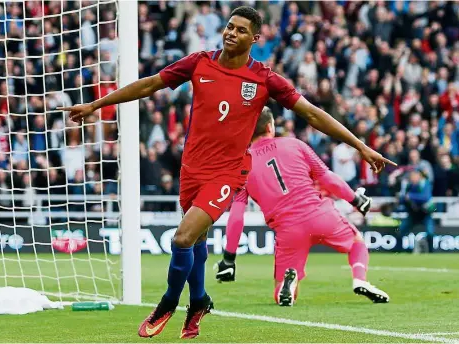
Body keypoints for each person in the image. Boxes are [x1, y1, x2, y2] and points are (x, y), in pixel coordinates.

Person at [59, 6, 395, 339]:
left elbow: (313, 114)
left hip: (227, 174)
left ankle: (168, 302)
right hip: (191, 169)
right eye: (229, 27)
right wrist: (95, 105)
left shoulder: (264, 78)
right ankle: (200, 300)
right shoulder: (199, 62)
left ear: (255, 38)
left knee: (183, 237)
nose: (231, 33)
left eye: (240, 30)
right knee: (198, 242)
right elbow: (149, 85)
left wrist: (360, 146)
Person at [215, 108, 390, 306]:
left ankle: (288, 283)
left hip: (288, 229)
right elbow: (328, 179)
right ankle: (360, 279)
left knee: (281, 291)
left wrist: (229, 258)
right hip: (320, 214)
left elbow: (237, 215)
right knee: (357, 242)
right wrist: (356, 200)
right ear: (269, 126)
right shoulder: (295, 144)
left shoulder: (241, 165)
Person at [397, 168, 435, 253]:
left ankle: (431, 252)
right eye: (411, 177)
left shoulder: (425, 184)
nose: (412, 178)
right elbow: (403, 200)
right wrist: (401, 198)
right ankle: (399, 250)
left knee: (430, 232)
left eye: (413, 176)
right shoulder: (409, 185)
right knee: (401, 230)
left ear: (419, 176)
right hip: (413, 213)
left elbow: (425, 197)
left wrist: (410, 196)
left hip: (425, 214)